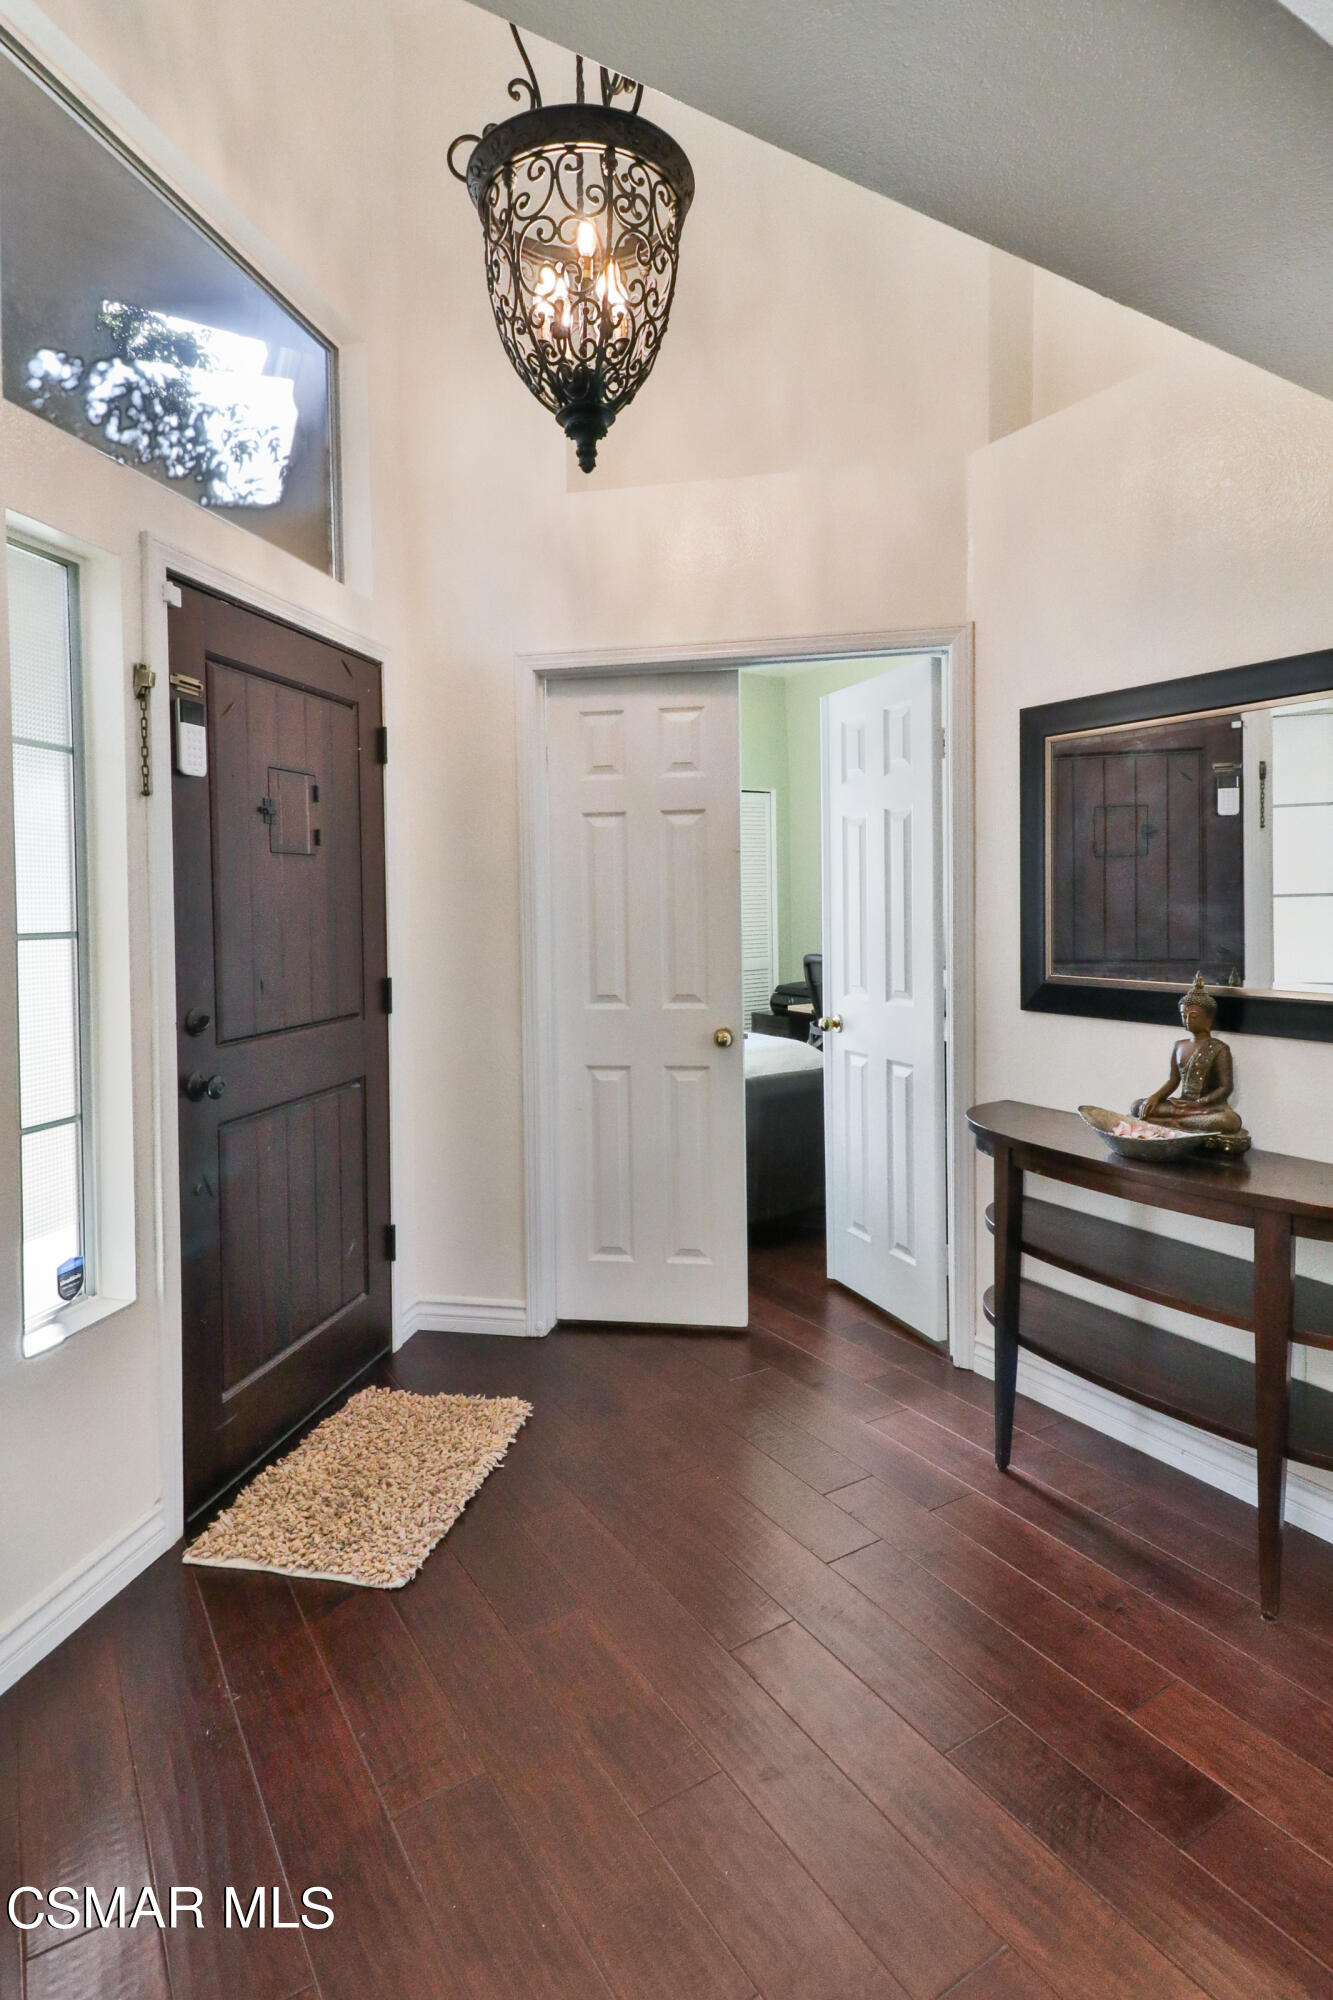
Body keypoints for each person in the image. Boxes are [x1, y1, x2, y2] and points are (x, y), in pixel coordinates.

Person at [1131, 972, 1245, 1134]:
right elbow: (1173, 1080)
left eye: (1193, 1016)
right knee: (1137, 1106)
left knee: (1229, 1121)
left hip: (1206, 1108)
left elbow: (1225, 1087)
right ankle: (1178, 1123)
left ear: (1208, 1019)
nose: (1187, 1020)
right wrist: (1155, 1097)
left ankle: (1168, 1124)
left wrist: (1200, 1102)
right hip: (1181, 1105)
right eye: (1184, 1016)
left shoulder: (1219, 1048)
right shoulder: (1179, 1046)